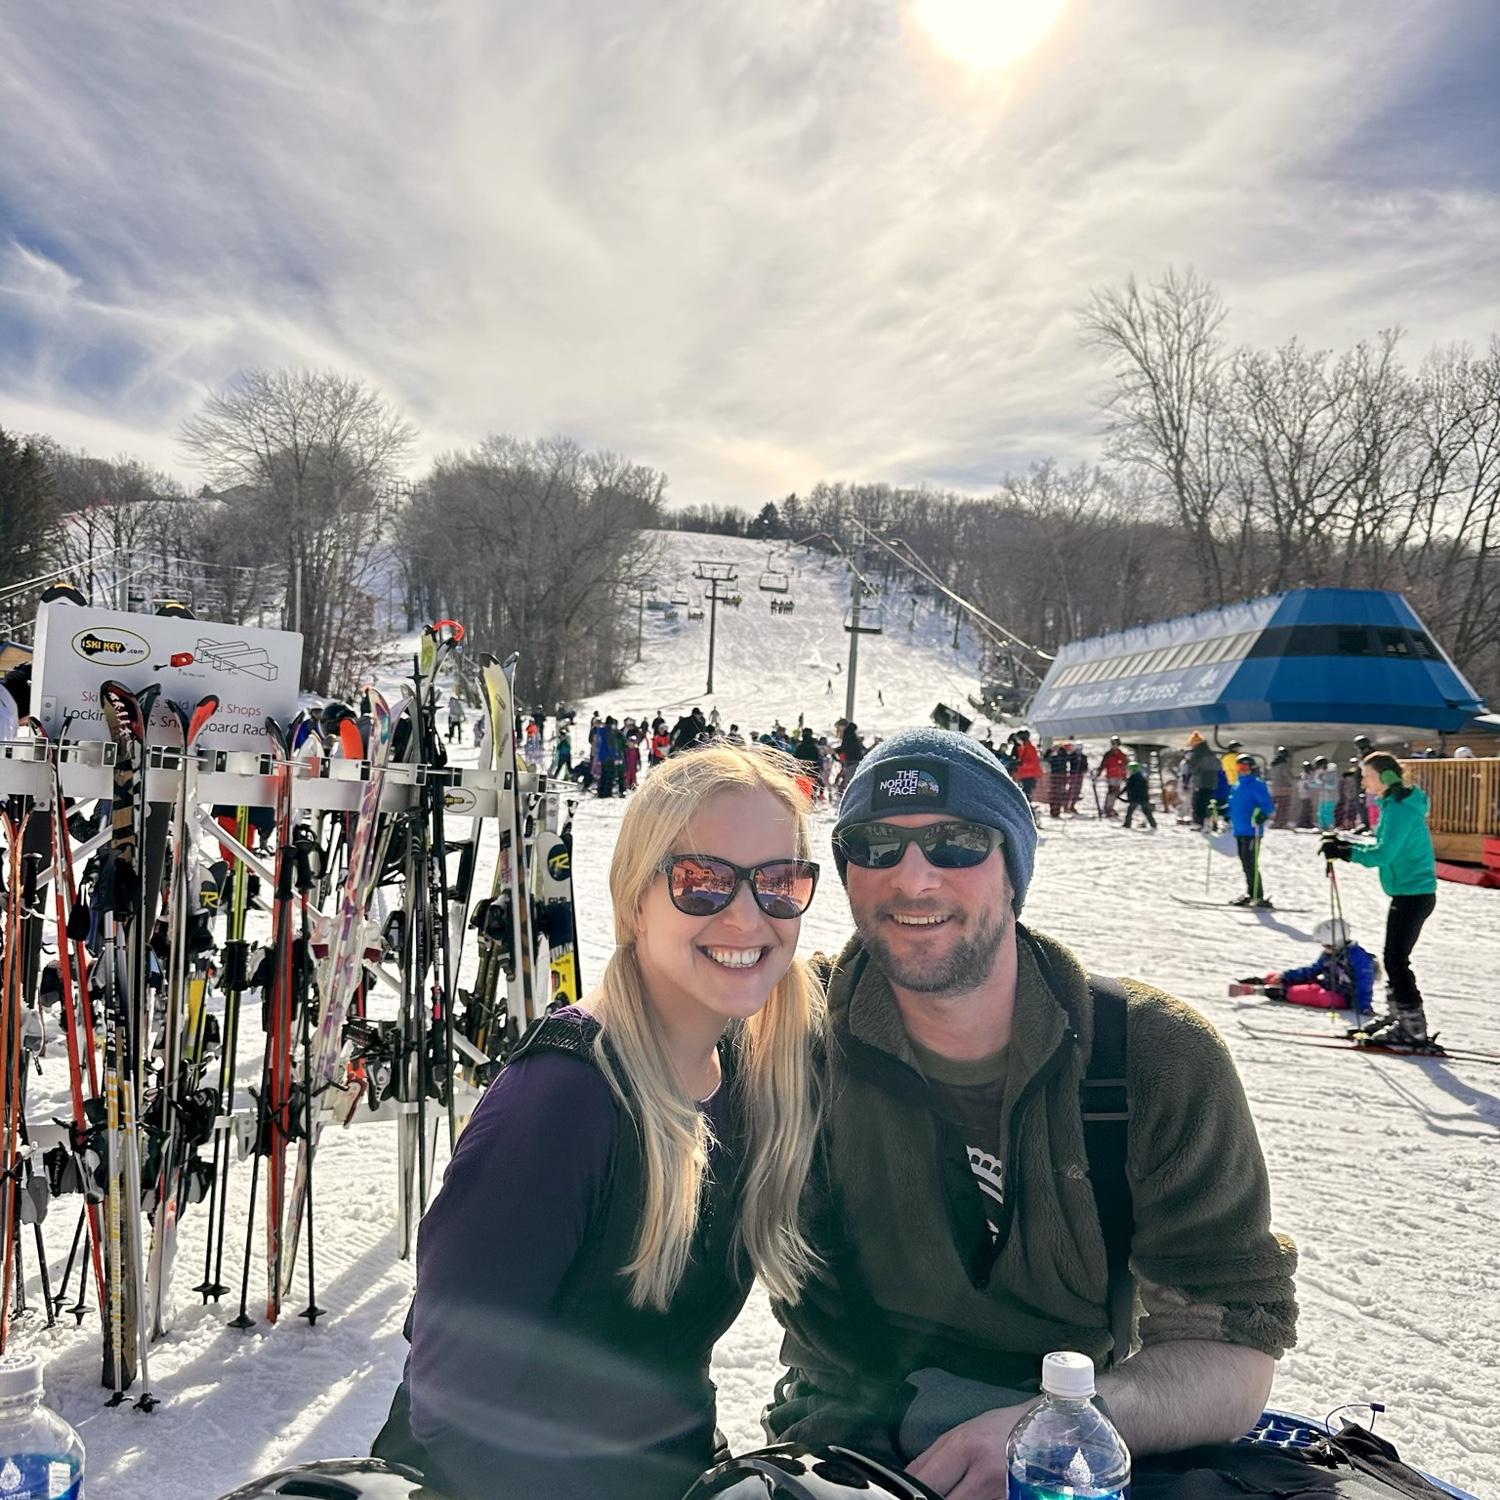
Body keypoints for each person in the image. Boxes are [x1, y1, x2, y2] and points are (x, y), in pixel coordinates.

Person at [765, 729, 1296, 1494]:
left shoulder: (1152, 1057)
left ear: (1013, 870)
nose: (912, 879)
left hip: (1068, 1464)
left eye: (956, 843)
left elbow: (1232, 1346)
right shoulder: (787, 1042)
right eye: (874, 844)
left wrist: (1058, 1426)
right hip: (844, 1457)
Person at [378, 744, 825, 1500]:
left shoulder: (751, 1072)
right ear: (633, 901)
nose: (749, 915)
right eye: (704, 881)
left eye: (779, 883)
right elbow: (451, 1407)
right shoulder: (561, 1102)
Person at [1322, 752, 1438, 1046]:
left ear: (1385, 778)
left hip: (1414, 893)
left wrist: (1346, 854)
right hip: (1408, 892)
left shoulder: (1399, 810)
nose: (1363, 781)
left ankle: (1412, 1027)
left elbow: (1384, 855)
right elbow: (1381, 844)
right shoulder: (1394, 805)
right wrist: (1345, 842)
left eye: (1367, 775)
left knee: (1396, 960)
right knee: (1394, 958)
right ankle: (1400, 1015)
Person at [1257, 918, 1376, 1016]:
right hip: (1328, 985)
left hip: (1344, 997)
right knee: (1300, 979)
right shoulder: (1329, 953)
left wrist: (1364, 1006)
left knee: (1323, 997)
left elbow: (1364, 983)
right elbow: (1314, 970)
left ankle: (1282, 992)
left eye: (1327, 946)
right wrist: (1286, 976)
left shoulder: (1358, 958)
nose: (1325, 949)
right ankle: (1267, 981)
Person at [1227, 754, 1275, 907]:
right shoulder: (1236, 786)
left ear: (1251, 768)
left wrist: (1262, 814)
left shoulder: (1257, 785)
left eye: (1244, 768)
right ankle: (1251, 892)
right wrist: (1221, 811)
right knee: (1245, 863)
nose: (1241, 771)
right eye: (1238, 768)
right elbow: (1233, 805)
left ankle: (1257, 895)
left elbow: (1268, 805)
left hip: (1252, 830)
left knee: (1251, 863)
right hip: (1239, 830)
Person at [1184, 732, 1219, 829]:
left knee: (1198, 803)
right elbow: (1218, 765)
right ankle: (1211, 823)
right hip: (1212, 781)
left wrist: (1188, 762)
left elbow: (1192, 768)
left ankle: (1198, 823)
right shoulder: (1210, 752)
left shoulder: (1197, 754)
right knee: (1209, 803)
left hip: (1201, 781)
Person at [1099, 737, 1128, 819]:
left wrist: (1124, 775)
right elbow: (1103, 764)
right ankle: (1108, 808)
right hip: (1111, 776)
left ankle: (1110, 807)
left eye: (1116, 744)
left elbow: (1124, 765)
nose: (1115, 746)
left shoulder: (1121, 754)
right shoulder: (1108, 754)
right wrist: (1099, 772)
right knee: (1111, 792)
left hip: (1119, 776)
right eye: (1113, 744)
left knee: (1116, 792)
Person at [1267, 747, 1296, 829]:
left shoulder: (1273, 765)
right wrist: (1296, 780)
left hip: (1275, 788)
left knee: (1276, 807)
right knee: (1283, 808)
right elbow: (1289, 777)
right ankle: (1282, 823)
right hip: (1284, 789)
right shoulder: (1284, 765)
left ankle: (1275, 822)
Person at [1122, 760, 1155, 829]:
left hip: (1135, 798)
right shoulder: (1142, 778)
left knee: (1130, 811)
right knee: (1147, 812)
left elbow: (1128, 787)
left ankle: (1127, 824)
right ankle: (1153, 824)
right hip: (1143, 798)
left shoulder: (1132, 778)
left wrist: (1120, 794)